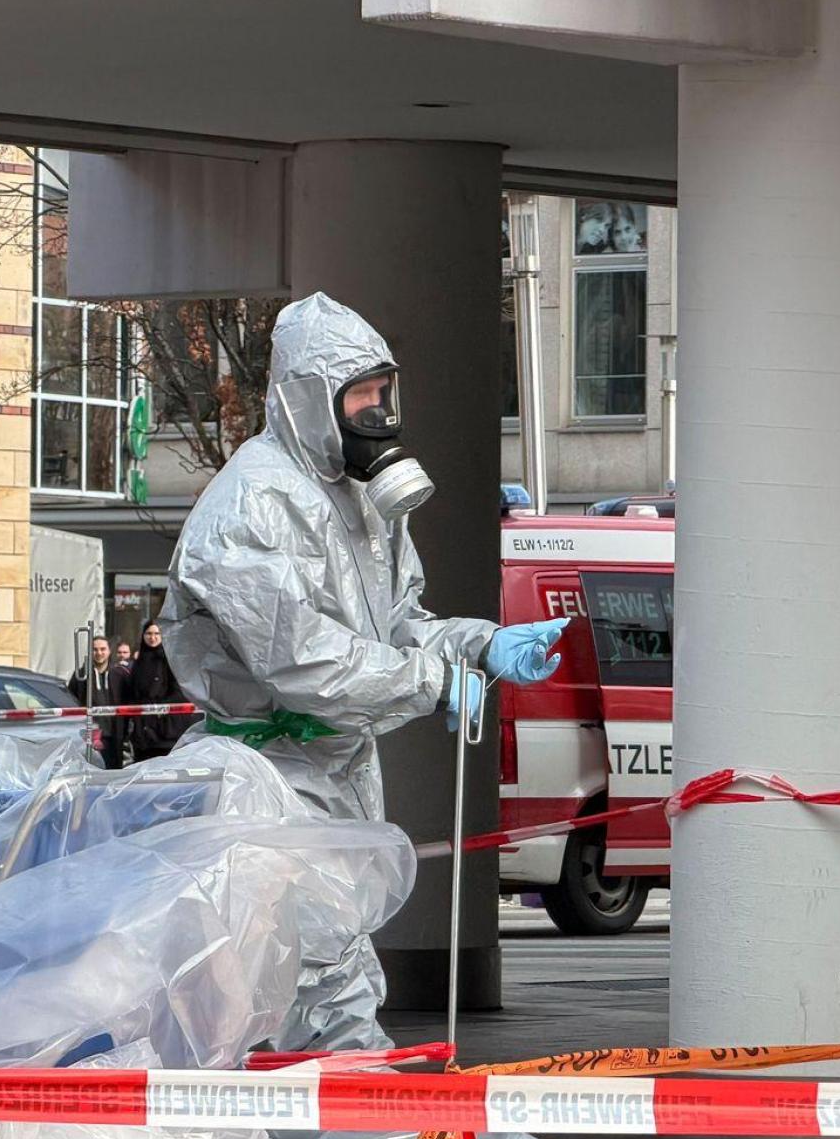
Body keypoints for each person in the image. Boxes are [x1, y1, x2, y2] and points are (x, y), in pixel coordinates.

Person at [159, 292, 569, 821]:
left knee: (351, 903)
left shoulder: (362, 501)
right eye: (361, 396)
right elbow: (303, 661)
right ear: (309, 401)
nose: (378, 411)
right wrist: (435, 682)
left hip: (341, 774)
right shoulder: (250, 503)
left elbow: (393, 628)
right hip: (259, 788)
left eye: (384, 392)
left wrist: (479, 645)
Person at [120, 620, 193, 762]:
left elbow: (179, 691)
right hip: (143, 730)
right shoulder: (139, 663)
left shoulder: (170, 660)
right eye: (148, 634)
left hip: (167, 728)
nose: (152, 638)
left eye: (156, 634)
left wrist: (160, 709)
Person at [69, 634, 123, 768]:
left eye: (103, 649)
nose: (99, 653)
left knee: (112, 773)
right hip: (88, 736)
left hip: (114, 736)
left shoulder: (120, 675)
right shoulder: (80, 676)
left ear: (109, 651)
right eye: (95, 649)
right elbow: (71, 702)